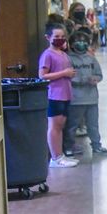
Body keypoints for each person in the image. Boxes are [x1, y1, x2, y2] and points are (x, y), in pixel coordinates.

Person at [63, 30, 107, 158]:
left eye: (84, 42)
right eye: (78, 41)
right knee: (72, 125)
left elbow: (99, 74)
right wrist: (83, 80)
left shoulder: (91, 59)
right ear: (71, 44)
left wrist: (96, 78)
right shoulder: (67, 59)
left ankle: (97, 146)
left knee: (93, 124)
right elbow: (68, 77)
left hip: (92, 98)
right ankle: (68, 146)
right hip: (76, 98)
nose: (81, 44)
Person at [39, 23, 78, 168]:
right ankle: (55, 157)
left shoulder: (63, 54)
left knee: (60, 125)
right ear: (48, 37)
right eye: (56, 37)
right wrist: (64, 73)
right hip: (54, 95)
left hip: (65, 94)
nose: (60, 39)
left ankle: (60, 155)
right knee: (54, 126)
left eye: (62, 37)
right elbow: (42, 76)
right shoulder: (47, 55)